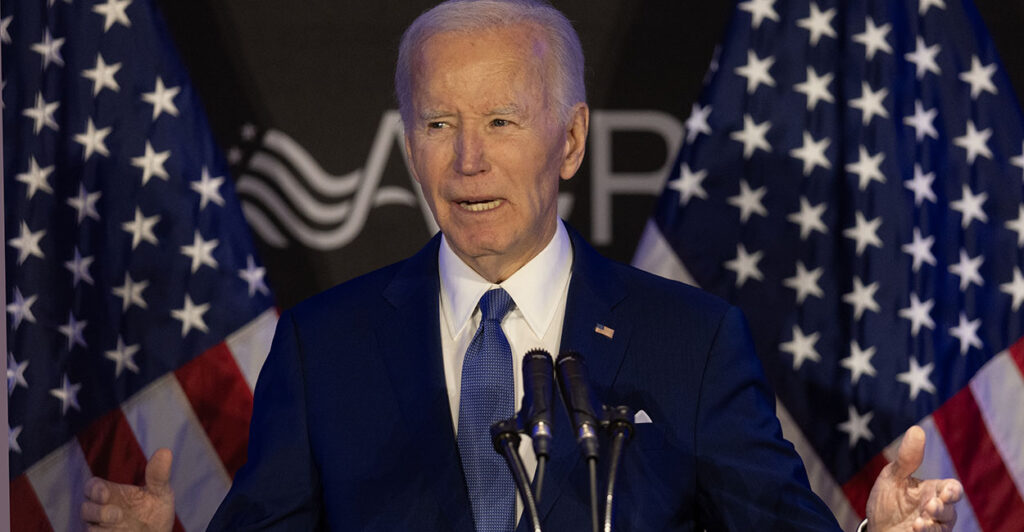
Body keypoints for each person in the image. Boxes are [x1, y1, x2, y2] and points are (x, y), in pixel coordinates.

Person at [81, 1, 963, 530]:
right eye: (438, 125)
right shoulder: (324, 347)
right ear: (409, 144)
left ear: (571, 139)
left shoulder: (687, 342)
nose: (468, 161)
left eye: (502, 122)